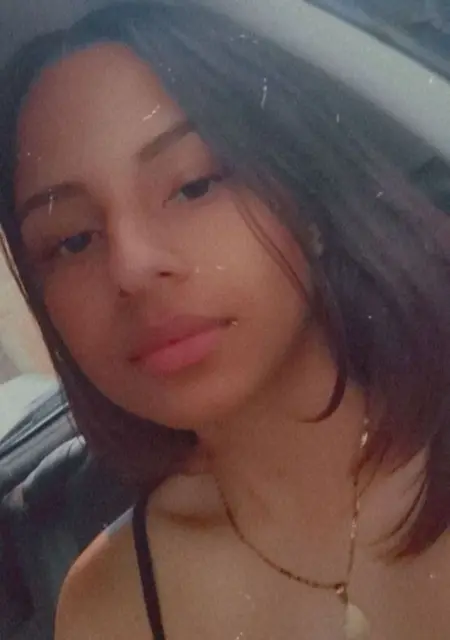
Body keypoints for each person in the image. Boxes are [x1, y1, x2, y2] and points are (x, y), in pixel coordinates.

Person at [1, 2, 450, 638]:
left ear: (309, 195)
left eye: (194, 186)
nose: (131, 266)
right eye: (72, 240)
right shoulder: (109, 606)